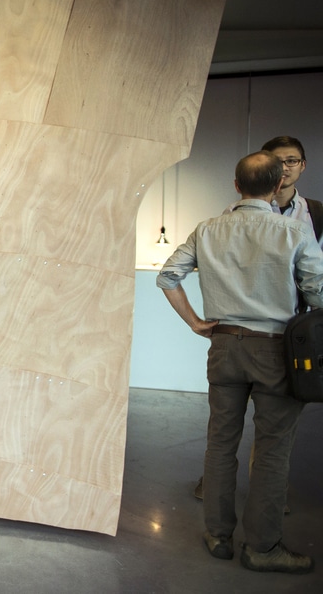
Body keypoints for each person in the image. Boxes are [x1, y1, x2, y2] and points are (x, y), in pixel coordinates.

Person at [158, 151, 323, 574]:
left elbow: (168, 276)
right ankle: (262, 548)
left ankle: (218, 535)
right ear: (277, 186)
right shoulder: (294, 231)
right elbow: (318, 293)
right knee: (272, 451)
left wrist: (196, 322)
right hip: (276, 351)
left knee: (220, 444)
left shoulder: (207, 229)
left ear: (236, 186)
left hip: (224, 346)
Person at [193, 134, 322, 501]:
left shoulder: (315, 215)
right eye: (277, 161)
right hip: (251, 330)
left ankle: (260, 499)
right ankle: (253, 513)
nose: (284, 167)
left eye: (291, 160)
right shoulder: (230, 217)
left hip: (294, 332)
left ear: (301, 166)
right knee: (245, 434)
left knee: (272, 434)